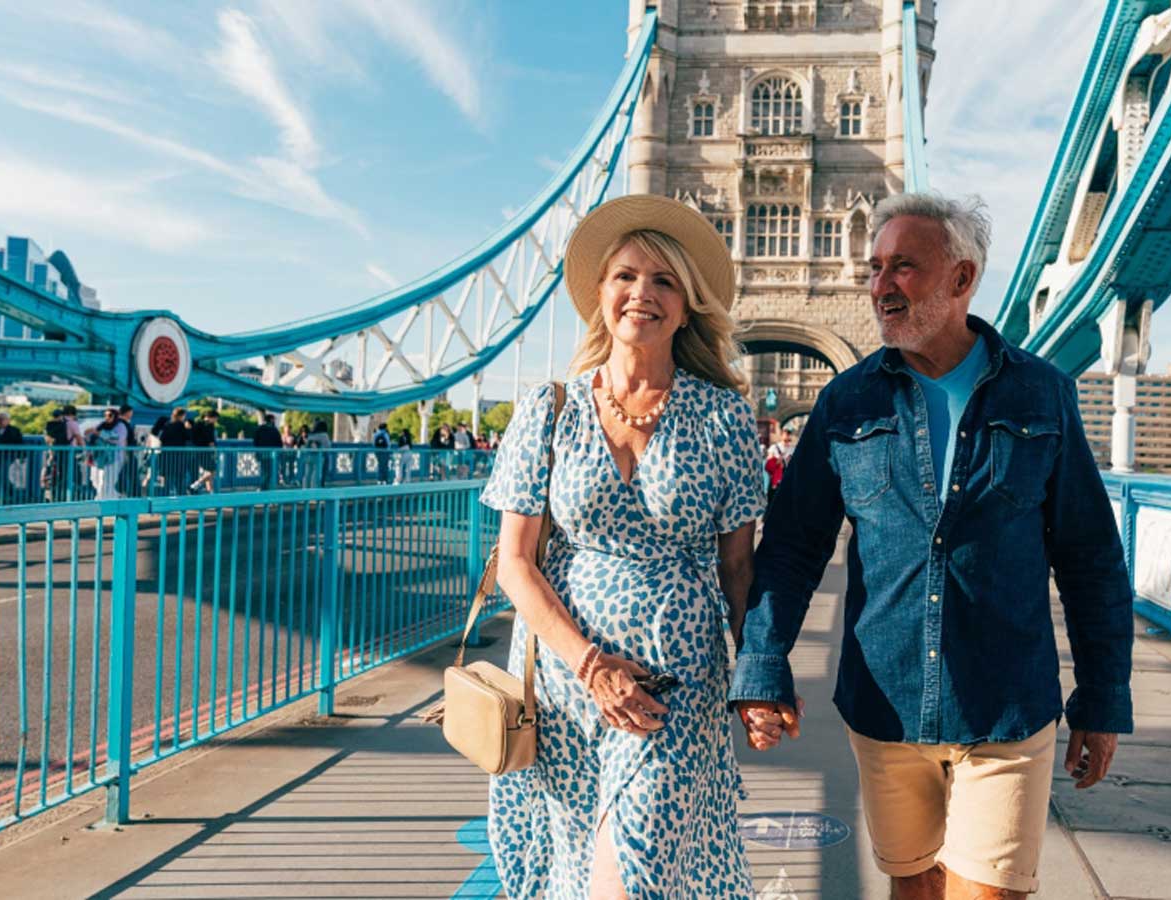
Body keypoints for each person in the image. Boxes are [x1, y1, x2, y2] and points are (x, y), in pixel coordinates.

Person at [730, 193, 1135, 900]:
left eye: (904, 267)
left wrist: (1102, 698)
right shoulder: (847, 402)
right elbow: (793, 547)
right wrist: (763, 665)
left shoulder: (1041, 394)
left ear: (962, 278)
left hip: (1005, 702)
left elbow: (1090, 559)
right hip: (885, 698)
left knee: (990, 892)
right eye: (875, 268)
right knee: (913, 889)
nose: (881, 285)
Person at [478, 195, 761, 899]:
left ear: (688, 307)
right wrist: (590, 666)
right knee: (574, 873)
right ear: (600, 296)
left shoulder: (723, 416)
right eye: (626, 277)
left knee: (631, 878)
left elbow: (738, 566)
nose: (643, 293)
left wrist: (759, 674)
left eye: (665, 281)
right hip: (565, 686)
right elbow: (514, 561)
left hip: (672, 687)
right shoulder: (549, 410)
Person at [85, 408, 127, 500]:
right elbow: (91, 438)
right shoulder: (102, 425)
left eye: (110, 415)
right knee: (95, 480)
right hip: (99, 458)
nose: (107, 417)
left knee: (108, 480)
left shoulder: (120, 426)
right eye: (105, 415)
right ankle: (104, 498)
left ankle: (104, 500)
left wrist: (100, 434)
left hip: (113, 458)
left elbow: (117, 439)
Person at [0, 411, 26, 504]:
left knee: (2, 475)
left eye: (2, 419)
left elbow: (20, 443)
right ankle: (6, 493)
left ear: (8, 420)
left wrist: (21, 456)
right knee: (0, 475)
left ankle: (1, 494)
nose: (0, 421)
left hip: (8, 455)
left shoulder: (14, 430)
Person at [157, 408, 190, 495]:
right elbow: (188, 437)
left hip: (166, 456)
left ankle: (165, 497)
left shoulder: (167, 425)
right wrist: (188, 428)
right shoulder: (181, 426)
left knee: (166, 479)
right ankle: (180, 498)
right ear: (182, 416)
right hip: (179, 456)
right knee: (179, 479)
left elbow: (161, 438)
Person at [188, 409, 219, 494]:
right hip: (206, 451)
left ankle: (210, 492)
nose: (216, 421)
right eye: (216, 419)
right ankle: (195, 484)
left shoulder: (197, 423)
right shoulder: (209, 425)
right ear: (212, 417)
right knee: (212, 471)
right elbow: (211, 441)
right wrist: (214, 451)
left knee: (207, 471)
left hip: (195, 450)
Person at [764, 427, 795, 508]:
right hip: (775, 479)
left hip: (787, 477)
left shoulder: (793, 449)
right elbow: (768, 465)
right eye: (786, 433)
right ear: (781, 435)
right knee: (773, 500)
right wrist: (778, 462)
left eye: (789, 434)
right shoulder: (774, 448)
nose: (787, 436)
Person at [254, 413, 284, 489]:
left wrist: (257, 452)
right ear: (271, 420)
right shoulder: (274, 430)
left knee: (265, 471)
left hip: (262, 453)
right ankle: (265, 487)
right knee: (270, 472)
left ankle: (265, 487)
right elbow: (279, 443)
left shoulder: (260, 429)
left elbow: (255, 442)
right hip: (272, 454)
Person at [117, 405, 139, 497]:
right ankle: (133, 494)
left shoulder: (120, 423)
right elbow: (124, 439)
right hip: (127, 452)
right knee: (131, 473)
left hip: (126, 452)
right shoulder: (123, 424)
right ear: (127, 412)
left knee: (125, 473)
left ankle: (124, 491)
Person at [304, 420, 332, 487]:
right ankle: (314, 489)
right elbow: (328, 446)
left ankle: (305, 488)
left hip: (309, 456)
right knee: (316, 474)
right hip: (319, 457)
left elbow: (306, 445)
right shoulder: (324, 435)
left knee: (307, 474)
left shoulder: (311, 435)